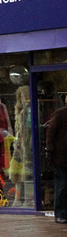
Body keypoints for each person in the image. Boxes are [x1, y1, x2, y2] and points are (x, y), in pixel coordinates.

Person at [46, 95, 67, 224]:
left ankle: (62, 213)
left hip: (61, 156)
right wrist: (50, 150)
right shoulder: (60, 114)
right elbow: (50, 133)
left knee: (63, 185)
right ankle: (60, 213)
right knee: (62, 185)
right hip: (61, 157)